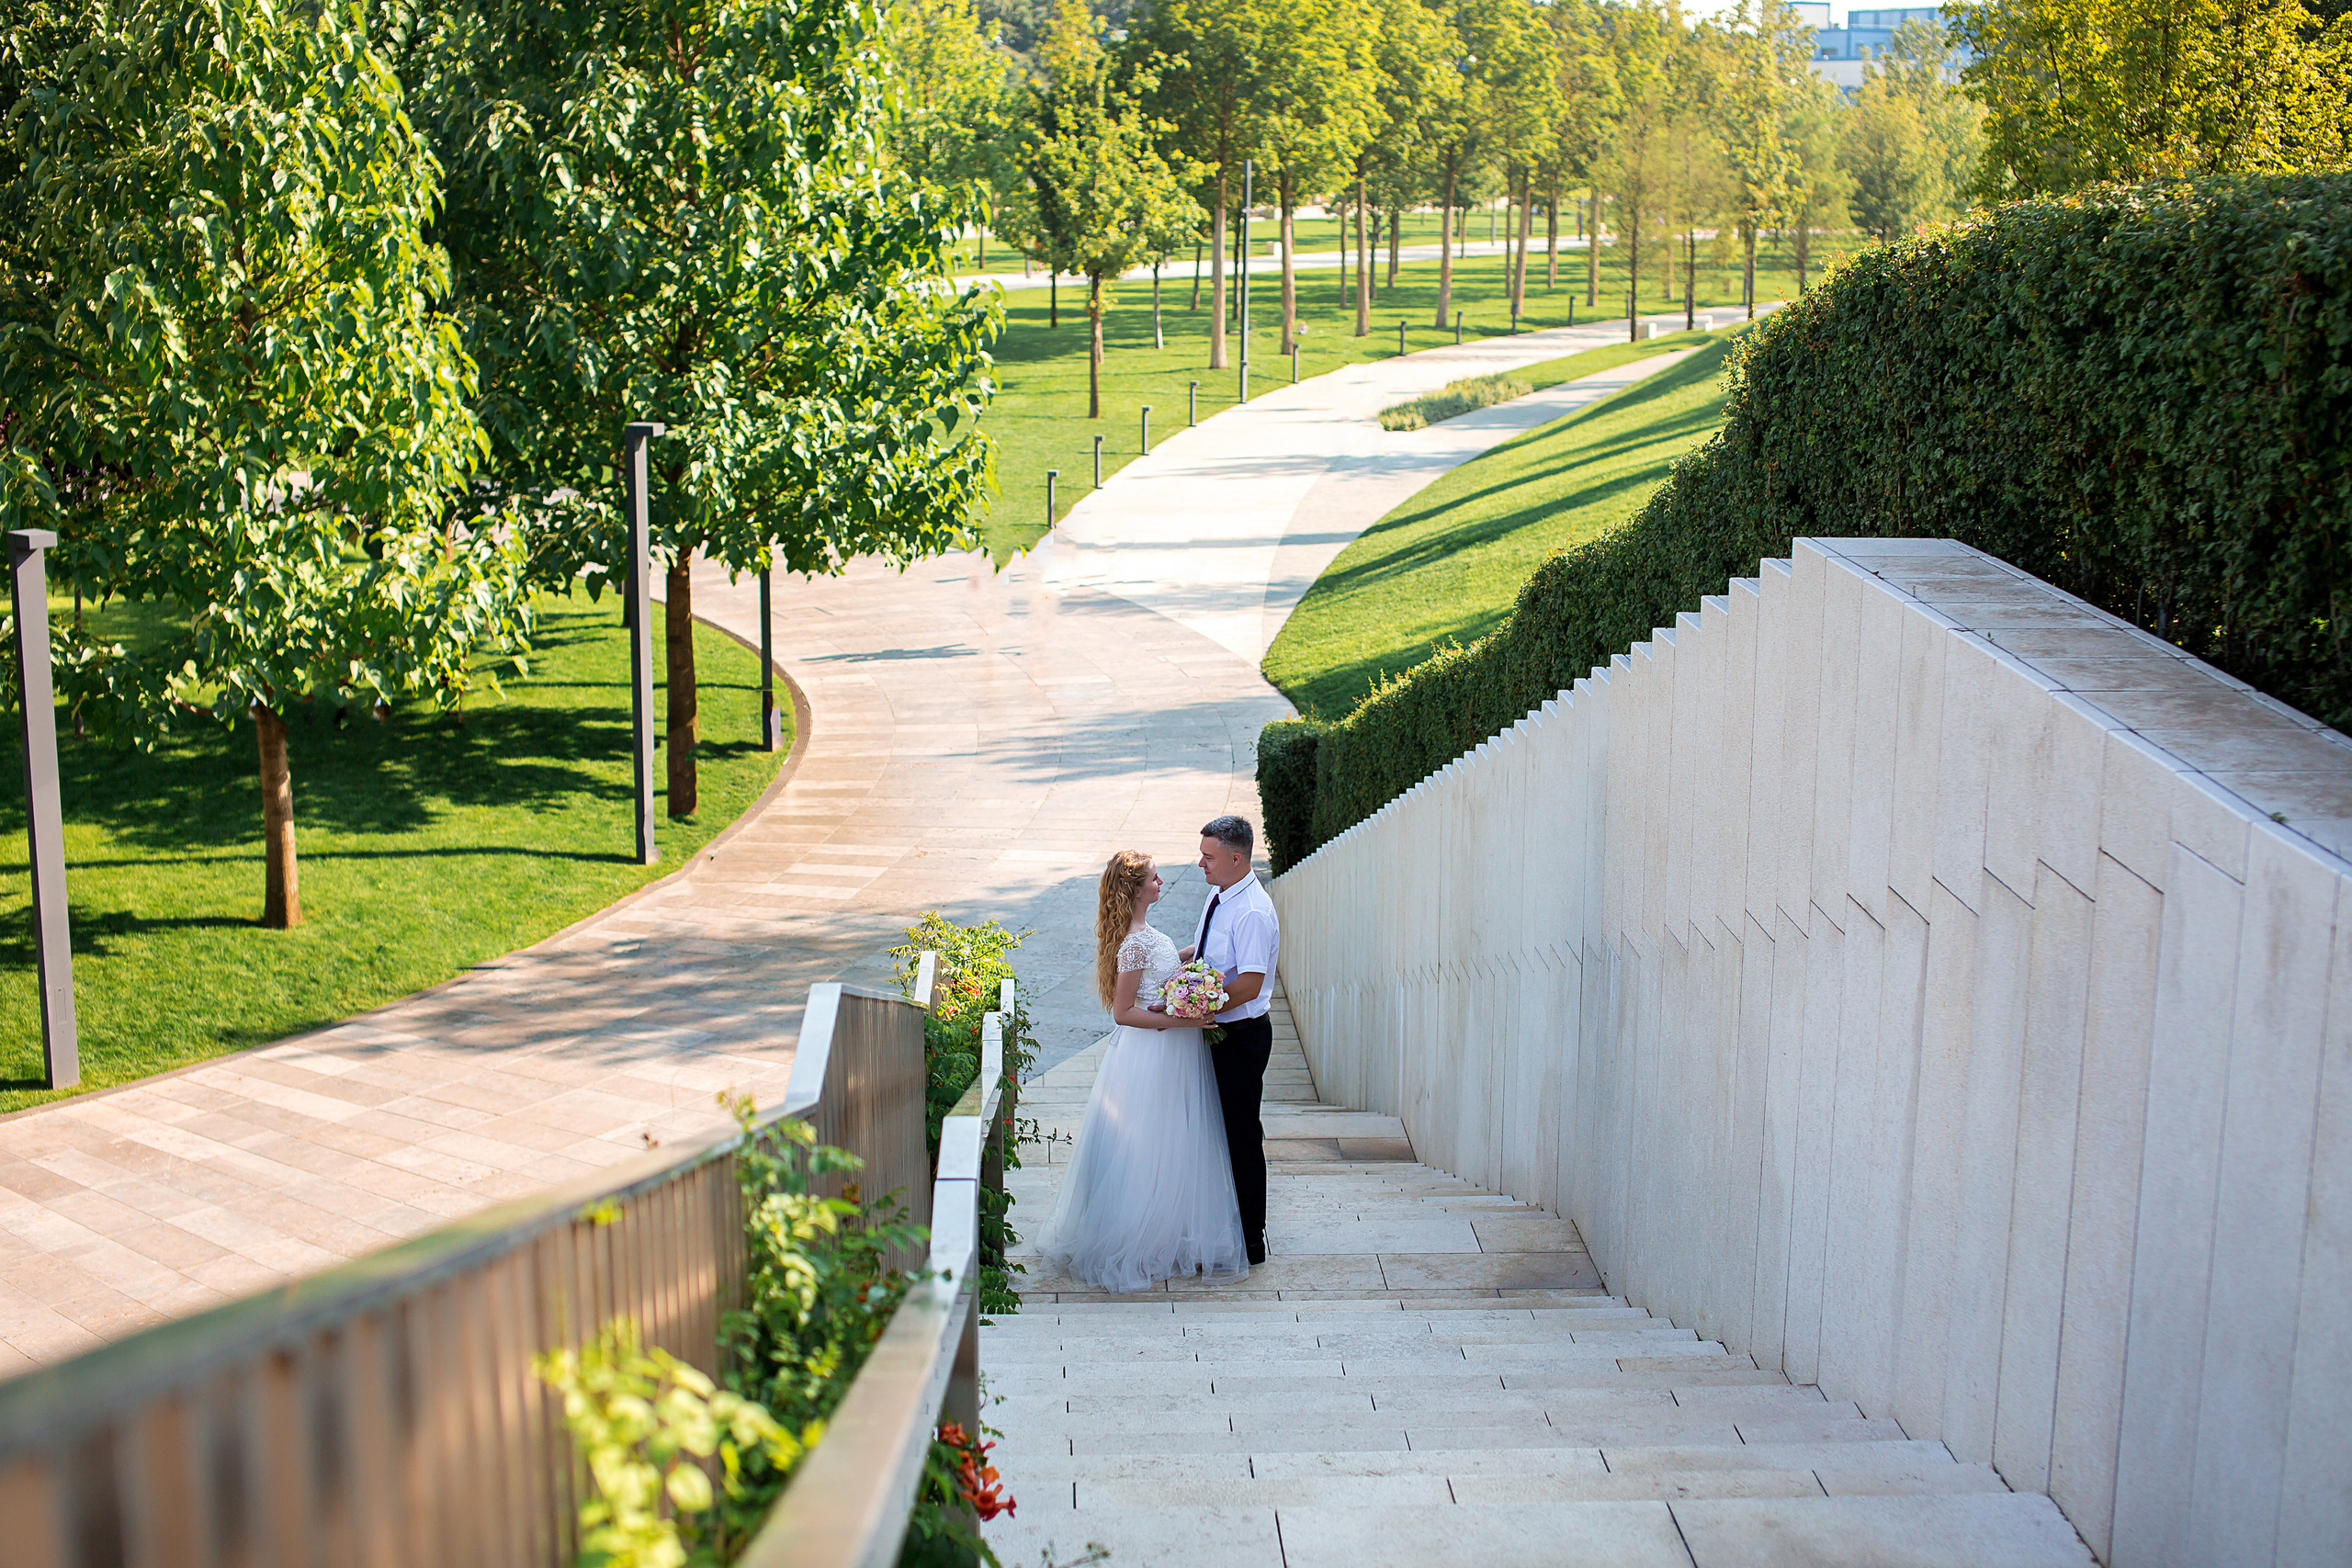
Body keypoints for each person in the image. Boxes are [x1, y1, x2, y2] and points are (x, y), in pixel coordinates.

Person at [1036, 851, 1250, 1293]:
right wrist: (1184, 1020)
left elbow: (1166, 967)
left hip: (1171, 1051)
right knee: (1154, 1141)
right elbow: (1123, 1012)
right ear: (1135, 889)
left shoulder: (1146, 936)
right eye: (1154, 877)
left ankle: (1171, 1231)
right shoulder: (1134, 943)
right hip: (1153, 1054)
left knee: (1173, 1139)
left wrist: (1200, 961)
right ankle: (1143, 1237)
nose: (1161, 881)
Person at [1180, 815, 1280, 1266]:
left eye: (1208, 856)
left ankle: (1250, 1237)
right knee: (1215, 1129)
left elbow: (1251, 983)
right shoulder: (1220, 895)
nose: (1201, 863)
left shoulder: (1253, 911)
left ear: (1236, 858)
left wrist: (1198, 1009)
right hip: (1219, 1031)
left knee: (1240, 1134)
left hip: (1240, 1037)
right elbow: (1202, 950)